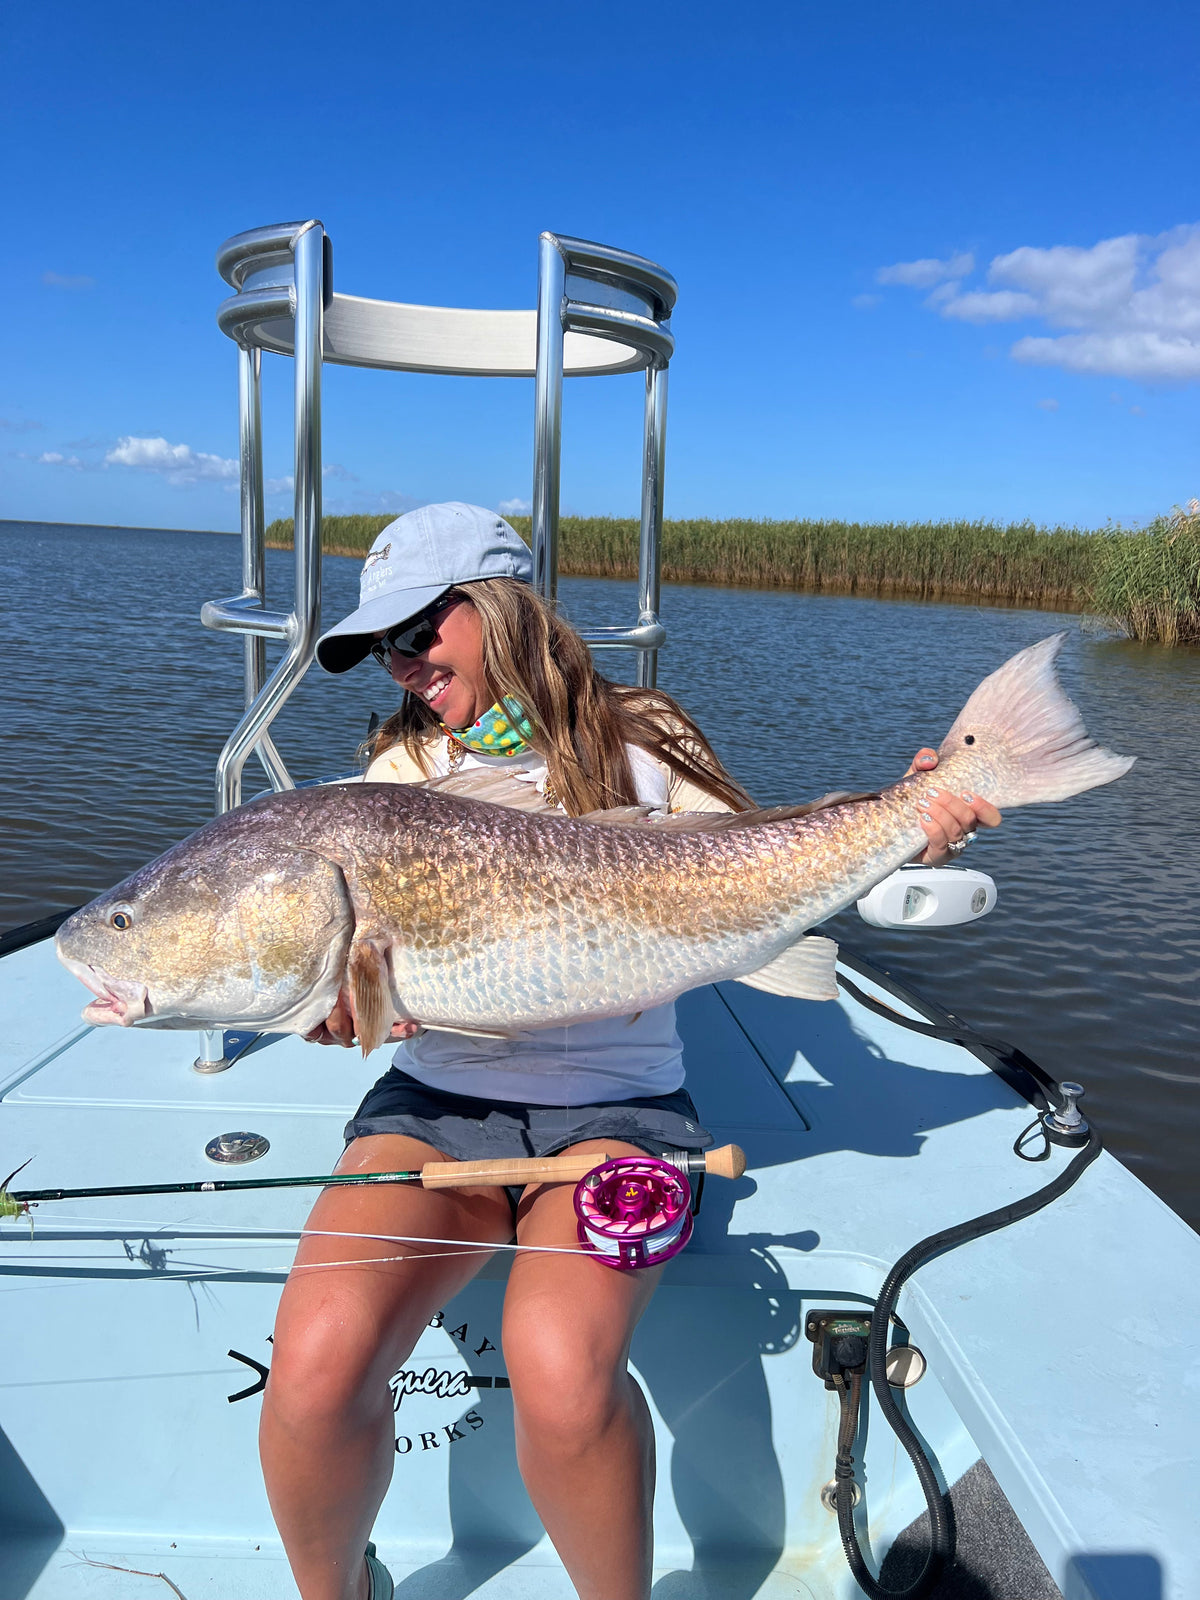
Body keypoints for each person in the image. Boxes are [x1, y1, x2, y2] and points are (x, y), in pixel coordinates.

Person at [258, 503, 998, 1600]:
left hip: (622, 1111)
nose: (402, 665)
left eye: (418, 632)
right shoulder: (395, 774)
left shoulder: (643, 735)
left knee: (560, 1375)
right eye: (379, 647)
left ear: (498, 609)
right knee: (315, 1370)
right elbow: (372, 995)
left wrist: (909, 818)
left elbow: (765, 866)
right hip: (438, 1104)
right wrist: (341, 1008)